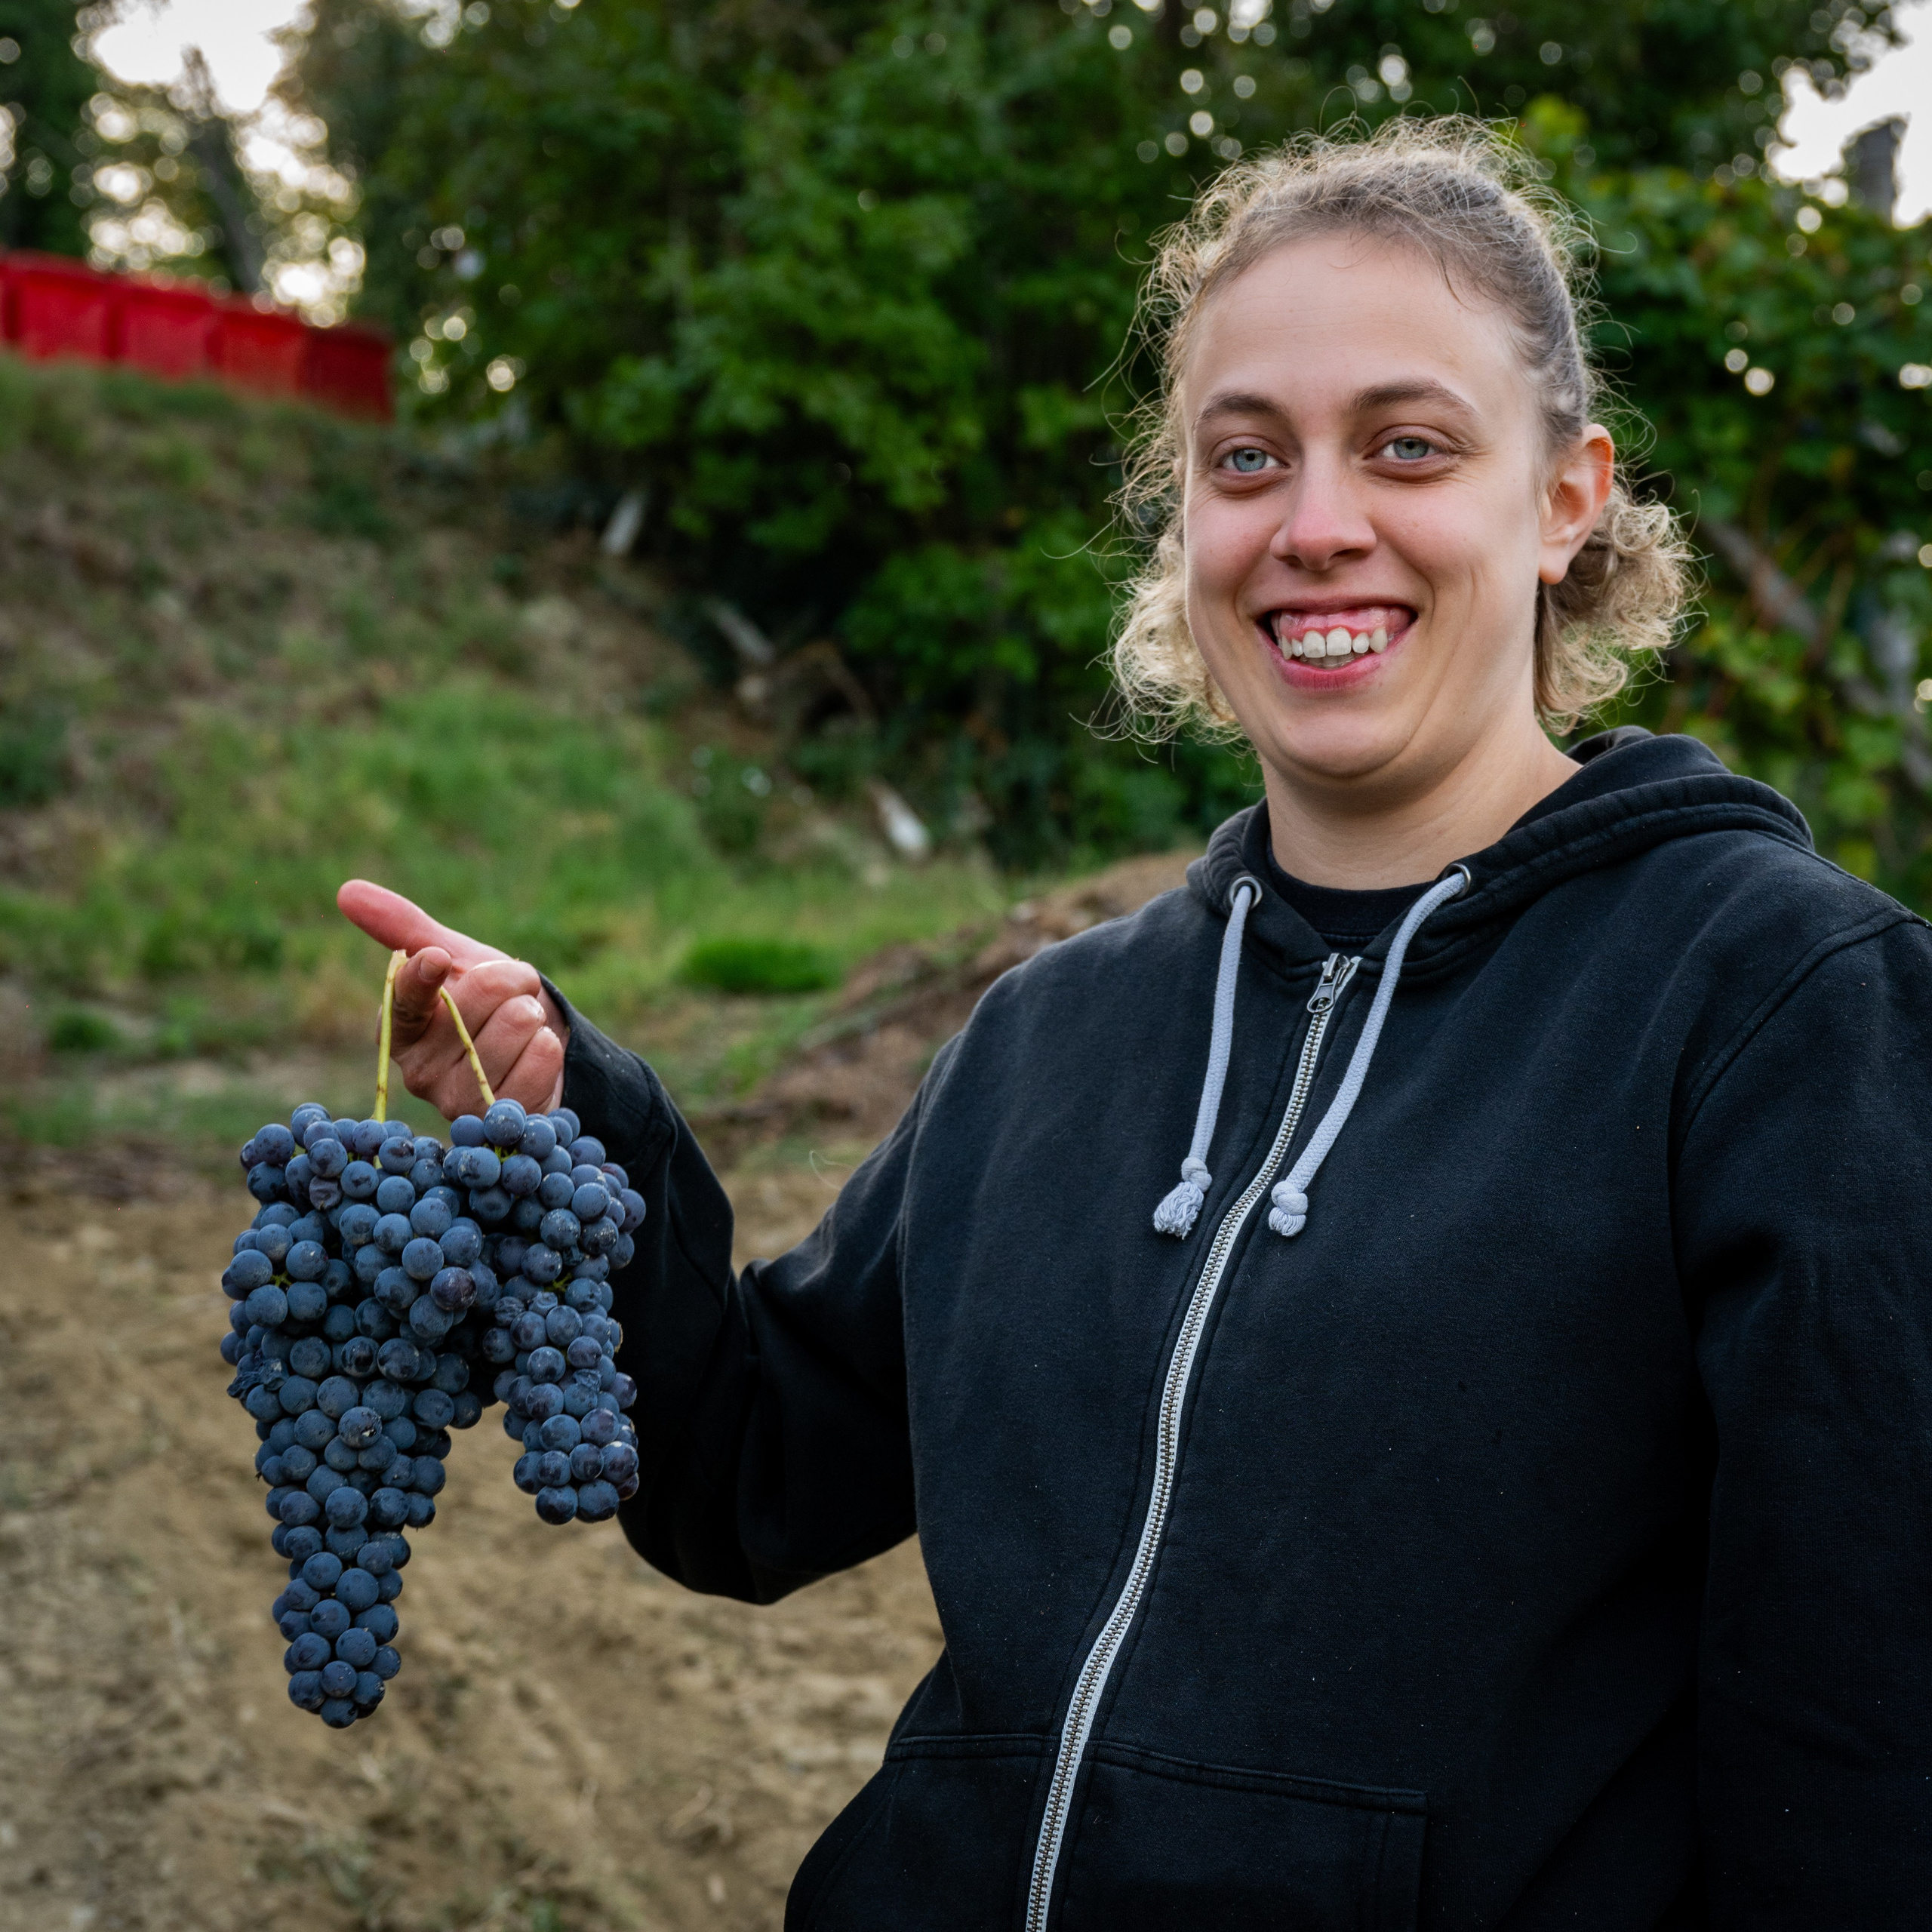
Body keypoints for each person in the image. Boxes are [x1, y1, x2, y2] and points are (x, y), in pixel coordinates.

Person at [338, 119, 1932, 1930]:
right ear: (1180, 520)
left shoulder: (1783, 1011)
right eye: (1242, 457)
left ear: (1566, 496)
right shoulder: (1051, 1037)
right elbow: (749, 1474)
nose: (1313, 521)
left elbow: (1862, 1749)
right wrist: (578, 1119)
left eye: (1405, 445)